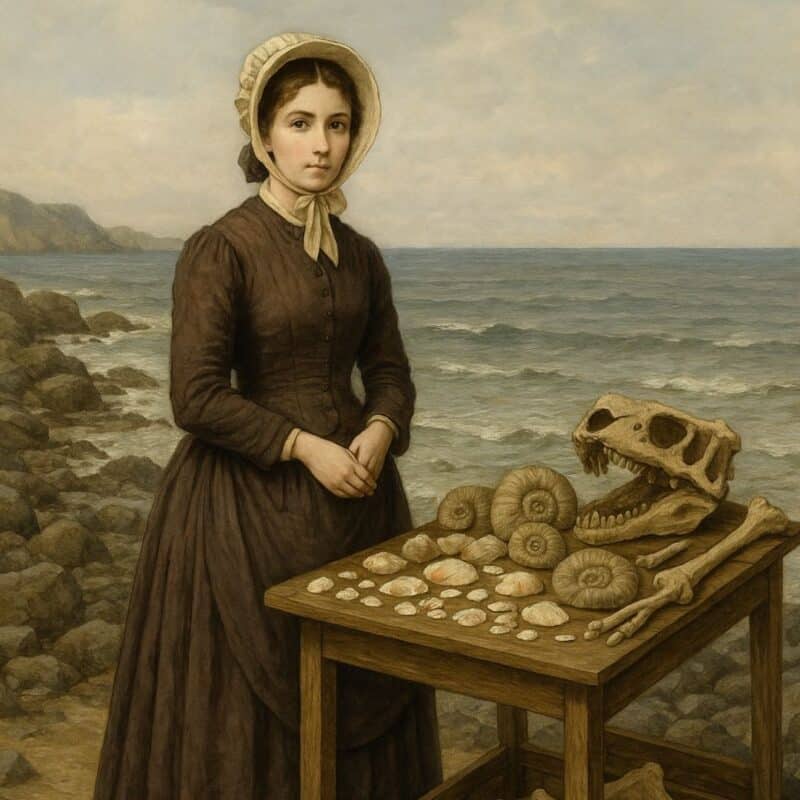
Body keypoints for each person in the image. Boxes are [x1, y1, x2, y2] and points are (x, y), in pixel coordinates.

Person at [93, 32, 443, 799]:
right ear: (264, 134)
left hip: (359, 505)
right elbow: (196, 395)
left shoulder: (362, 254)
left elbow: (388, 371)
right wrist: (304, 447)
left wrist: (380, 429)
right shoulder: (222, 247)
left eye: (338, 124)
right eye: (301, 122)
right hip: (242, 510)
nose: (322, 145)